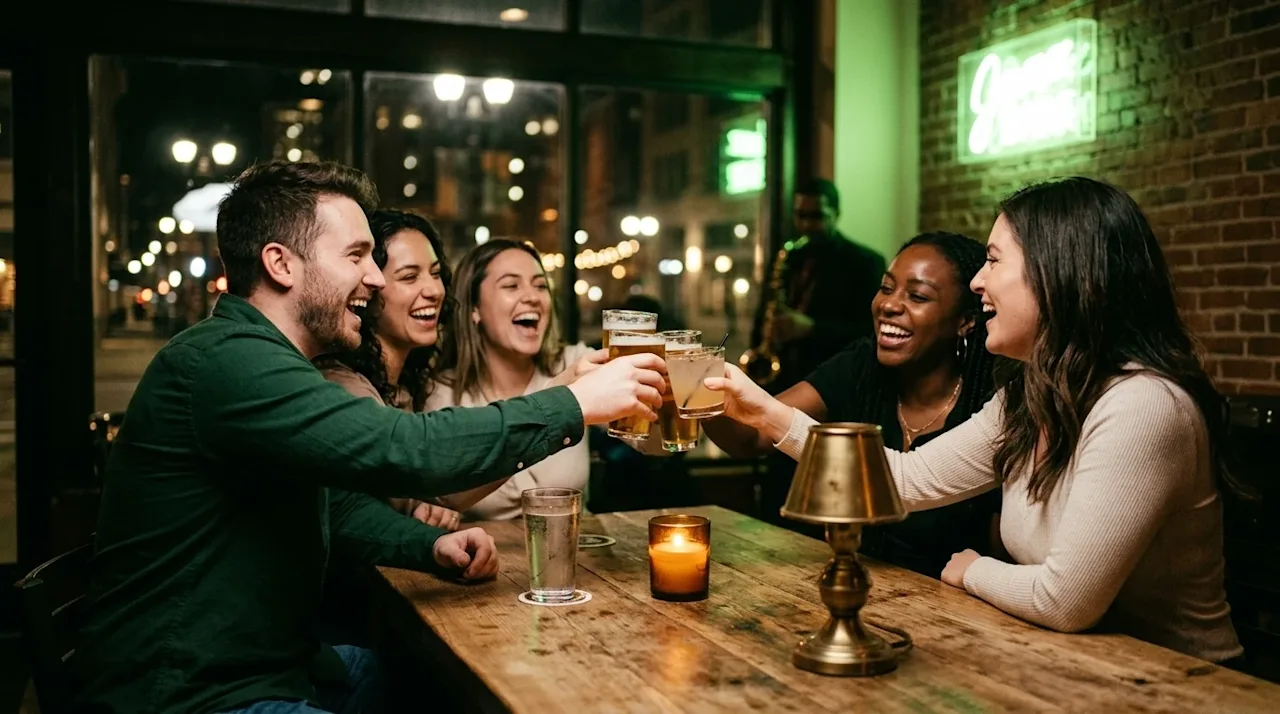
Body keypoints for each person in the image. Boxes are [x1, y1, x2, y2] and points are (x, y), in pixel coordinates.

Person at [74, 160, 666, 714]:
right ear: (281, 264)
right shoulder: (229, 360)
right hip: (191, 695)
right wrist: (573, 404)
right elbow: (410, 448)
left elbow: (335, 506)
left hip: (279, 667)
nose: (374, 277)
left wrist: (427, 547)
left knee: (448, 689)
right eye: (356, 255)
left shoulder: (266, 359)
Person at [706, 177, 1244, 664]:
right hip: (1069, 665)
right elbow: (903, 478)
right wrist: (764, 411)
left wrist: (971, 569)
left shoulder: (1142, 405)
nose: (979, 282)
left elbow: (1065, 601)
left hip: (1181, 683)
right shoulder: (1030, 395)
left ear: (1059, 273)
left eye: (994, 261)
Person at [703, 232, 1001, 576]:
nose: (889, 305)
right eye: (886, 288)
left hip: (948, 602)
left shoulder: (993, 398)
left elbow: (1002, 549)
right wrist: (704, 395)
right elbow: (751, 437)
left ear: (965, 321)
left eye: (917, 296)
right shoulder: (860, 366)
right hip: (846, 585)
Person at [424, 238, 600, 520]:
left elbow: (650, 442)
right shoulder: (440, 394)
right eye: (511, 285)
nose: (532, 297)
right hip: (486, 547)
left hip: (574, 544)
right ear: (474, 308)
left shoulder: (575, 364)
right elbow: (438, 500)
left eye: (540, 286)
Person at [317, 208, 462, 529]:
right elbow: (430, 489)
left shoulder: (406, 386)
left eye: (436, 273)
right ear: (368, 291)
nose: (434, 290)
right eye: (409, 277)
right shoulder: (342, 386)